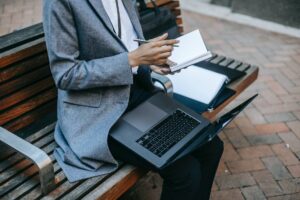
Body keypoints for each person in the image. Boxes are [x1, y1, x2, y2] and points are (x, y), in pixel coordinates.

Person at [43, 0, 223, 199]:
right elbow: (66, 74)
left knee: (212, 147)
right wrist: (133, 60)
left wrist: (149, 62)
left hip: (137, 93)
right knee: (186, 173)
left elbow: (125, 43)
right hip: (98, 114)